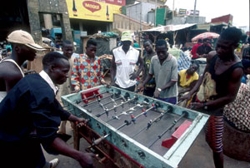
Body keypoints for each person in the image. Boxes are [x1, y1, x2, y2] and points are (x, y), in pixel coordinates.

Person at [0, 52, 94, 168]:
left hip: (22, 128)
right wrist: (80, 156)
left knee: (35, 153)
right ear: (52, 68)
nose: (67, 76)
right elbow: (48, 136)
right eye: (64, 71)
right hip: (10, 135)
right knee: (20, 158)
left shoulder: (35, 78)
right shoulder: (41, 92)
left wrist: (75, 119)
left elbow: (55, 107)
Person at [180, 27, 243, 168]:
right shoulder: (212, 56)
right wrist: (191, 93)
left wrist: (205, 106)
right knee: (183, 136)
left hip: (215, 111)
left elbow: (230, 97)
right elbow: (204, 77)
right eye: (218, 45)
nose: (219, 50)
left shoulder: (236, 69)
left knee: (216, 146)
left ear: (234, 46)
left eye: (224, 47)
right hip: (198, 102)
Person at [138, 39, 178, 105]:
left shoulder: (173, 61)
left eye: (163, 52)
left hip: (171, 96)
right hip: (159, 95)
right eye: (158, 52)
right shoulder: (154, 59)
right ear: (156, 50)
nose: (161, 54)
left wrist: (160, 89)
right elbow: (150, 74)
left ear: (167, 49)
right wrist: (143, 84)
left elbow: (173, 80)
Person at [56, 40, 75, 135]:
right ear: (62, 49)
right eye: (67, 50)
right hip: (61, 89)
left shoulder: (72, 60)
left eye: (71, 50)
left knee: (70, 108)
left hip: (70, 88)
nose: (69, 52)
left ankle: (73, 126)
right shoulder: (58, 61)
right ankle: (61, 130)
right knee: (62, 108)